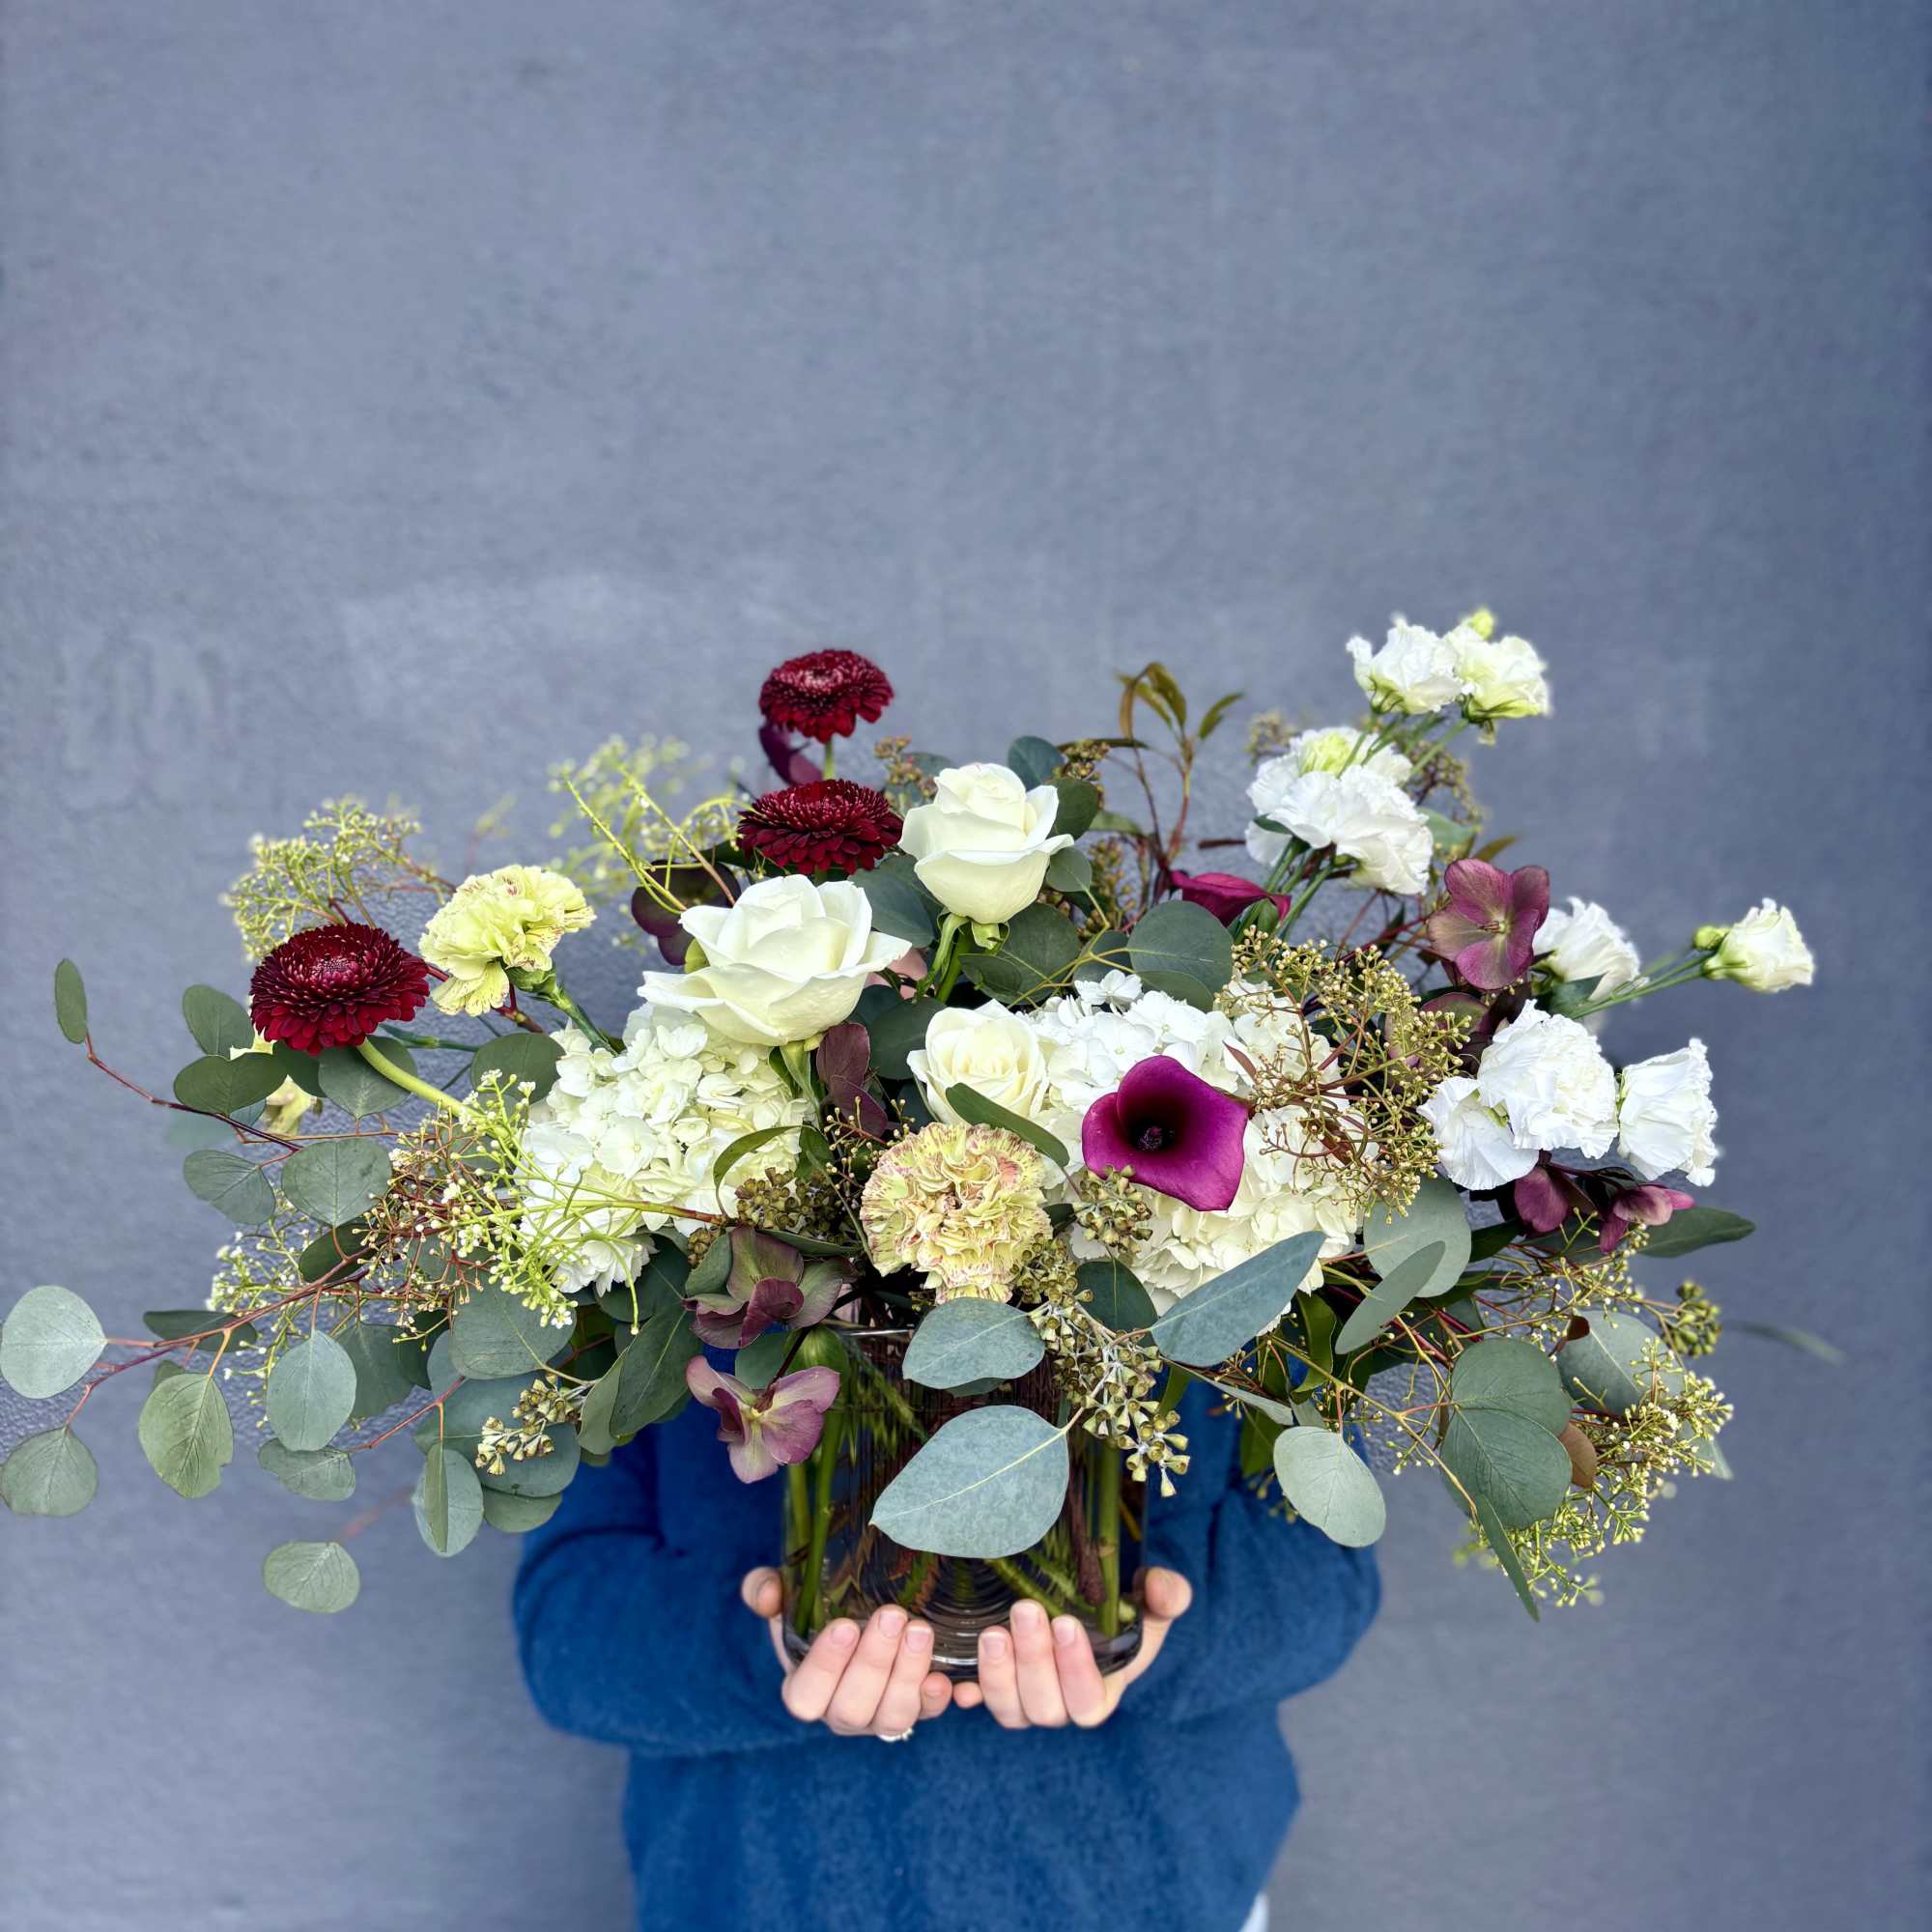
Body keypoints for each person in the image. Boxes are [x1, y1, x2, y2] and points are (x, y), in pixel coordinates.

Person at [515, 1376, 1379, 1932]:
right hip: (756, 1896)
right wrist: (778, 1646)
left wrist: (1154, 1630)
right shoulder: (650, 1265)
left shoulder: (1245, 1214)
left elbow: (1328, 1567)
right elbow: (568, 1631)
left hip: (1167, 1900)